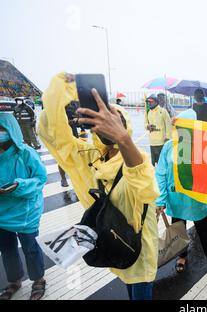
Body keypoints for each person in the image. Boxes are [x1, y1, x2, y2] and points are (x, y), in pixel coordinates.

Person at [38, 72, 160, 300]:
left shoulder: (136, 158)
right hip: (114, 242)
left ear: (124, 127)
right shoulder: (92, 157)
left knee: (140, 289)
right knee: (127, 282)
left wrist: (123, 139)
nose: (108, 127)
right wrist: (65, 91)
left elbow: (146, 187)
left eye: (115, 121)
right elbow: (51, 132)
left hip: (139, 248)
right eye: (102, 121)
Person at [155, 109, 207, 274]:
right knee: (178, 228)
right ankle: (182, 255)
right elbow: (161, 173)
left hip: (196, 199)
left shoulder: (203, 145)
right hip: (176, 197)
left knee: (204, 230)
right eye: (181, 125)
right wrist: (161, 199)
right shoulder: (168, 146)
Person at [0, 113, 47, 300]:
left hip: (26, 211)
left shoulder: (26, 152)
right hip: (2, 213)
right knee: (7, 248)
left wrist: (19, 186)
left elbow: (40, 178)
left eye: (1, 129)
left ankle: (38, 280)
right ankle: (14, 282)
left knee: (30, 247)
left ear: (11, 130)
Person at [144, 94, 172, 166]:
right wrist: (147, 126)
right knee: (153, 163)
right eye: (148, 102)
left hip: (162, 142)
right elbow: (145, 123)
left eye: (151, 102)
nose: (149, 103)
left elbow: (168, 125)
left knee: (162, 162)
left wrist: (168, 137)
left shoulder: (163, 111)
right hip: (152, 141)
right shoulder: (148, 112)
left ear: (156, 102)